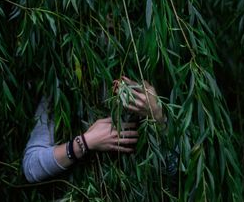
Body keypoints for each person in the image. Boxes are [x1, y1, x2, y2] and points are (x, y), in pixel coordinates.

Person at [22, 76, 167, 183]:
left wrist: (158, 117)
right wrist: (85, 142)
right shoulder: (64, 85)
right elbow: (31, 167)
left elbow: (175, 169)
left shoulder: (151, 78)